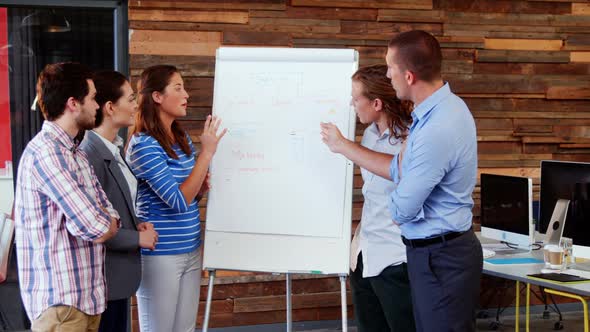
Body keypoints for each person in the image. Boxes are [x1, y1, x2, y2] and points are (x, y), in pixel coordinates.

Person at [321, 30, 483, 332]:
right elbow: (399, 170)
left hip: (440, 256)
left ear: (408, 76)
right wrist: (402, 169)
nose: (387, 74)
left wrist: (399, 186)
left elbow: (401, 209)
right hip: (430, 253)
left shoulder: (435, 127)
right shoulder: (439, 112)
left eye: (390, 67)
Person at [13, 62, 120, 332]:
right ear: (74, 103)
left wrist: (101, 219)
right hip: (61, 306)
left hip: (85, 301)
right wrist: (99, 219)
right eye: (93, 98)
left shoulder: (76, 153)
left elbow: (109, 212)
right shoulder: (47, 153)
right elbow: (92, 226)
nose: (98, 105)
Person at [126, 65, 226, 332]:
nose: (186, 95)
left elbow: (190, 197)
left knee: (185, 329)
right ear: (157, 96)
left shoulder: (180, 138)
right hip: (161, 255)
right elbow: (178, 201)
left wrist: (200, 188)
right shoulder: (143, 144)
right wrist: (207, 154)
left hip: (190, 249)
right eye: (178, 87)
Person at [79, 70, 159, 332]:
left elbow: (117, 204)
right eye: (131, 98)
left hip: (118, 277)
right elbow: (93, 225)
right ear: (110, 107)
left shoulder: (113, 148)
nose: (136, 104)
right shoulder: (90, 154)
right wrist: (138, 239)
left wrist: (137, 226)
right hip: (103, 278)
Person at [346, 64, 416, 332]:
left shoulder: (409, 138)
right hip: (364, 254)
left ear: (376, 103)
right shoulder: (370, 135)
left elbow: (399, 171)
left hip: (395, 257)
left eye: (356, 99)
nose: (353, 105)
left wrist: (343, 145)